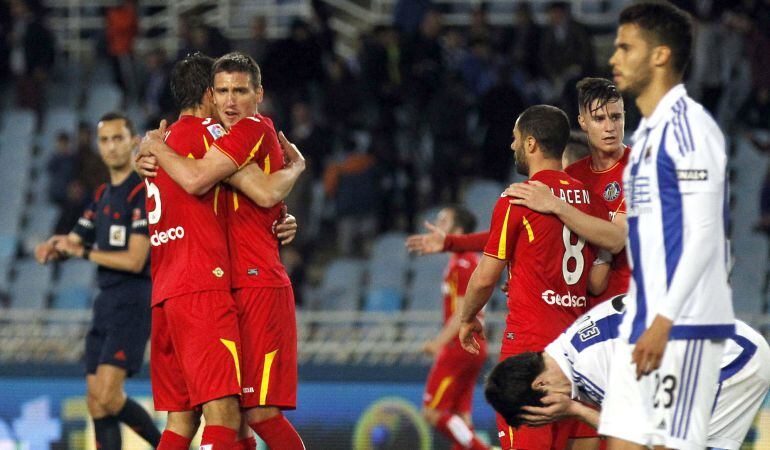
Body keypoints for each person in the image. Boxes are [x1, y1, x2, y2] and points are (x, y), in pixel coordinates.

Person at [139, 51, 307, 449]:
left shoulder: (235, 132)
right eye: (223, 91)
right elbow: (254, 190)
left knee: (222, 416)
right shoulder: (206, 137)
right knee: (230, 415)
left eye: (240, 91)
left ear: (259, 94)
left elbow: (260, 193)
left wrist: (150, 146)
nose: (230, 102)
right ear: (209, 95)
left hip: (222, 286)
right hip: (211, 286)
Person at [600, 3, 735, 449]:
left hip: (683, 326)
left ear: (659, 55)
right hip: (641, 322)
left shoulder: (690, 129)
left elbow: (704, 236)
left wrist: (665, 320)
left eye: (625, 47)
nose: (613, 58)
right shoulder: (643, 138)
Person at [457, 105, 609, 450]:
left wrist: (467, 317)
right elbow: (596, 280)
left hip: (530, 349)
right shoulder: (593, 203)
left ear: (530, 144)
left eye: (514, 139)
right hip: (579, 352)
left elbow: (485, 278)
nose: (511, 146)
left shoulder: (519, 198)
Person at [406, 79, 629, 297]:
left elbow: (614, 241)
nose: (609, 127)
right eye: (599, 118)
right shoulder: (572, 177)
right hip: (579, 306)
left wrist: (556, 205)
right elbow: (512, 232)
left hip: (622, 299)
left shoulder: (637, 169)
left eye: (615, 117)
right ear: (583, 122)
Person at [485, 295, 770, 450]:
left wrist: (575, 410)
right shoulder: (574, 348)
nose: (552, 418)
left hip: (731, 360)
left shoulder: (592, 366)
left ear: (541, 385)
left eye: (543, 413)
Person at [34, 113, 160, 450]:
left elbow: (135, 260)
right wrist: (54, 248)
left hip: (132, 300)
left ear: (134, 142)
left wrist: (83, 252)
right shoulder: (103, 194)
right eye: (104, 140)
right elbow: (75, 240)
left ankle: (167, 446)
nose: (111, 147)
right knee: (95, 400)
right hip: (105, 302)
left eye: (118, 138)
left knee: (107, 394)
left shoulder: (141, 193)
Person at [419, 206, 488, 450]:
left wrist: (438, 343)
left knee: (432, 412)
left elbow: (463, 313)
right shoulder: (467, 261)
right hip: (473, 346)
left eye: (443, 220)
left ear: (458, 231)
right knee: (461, 415)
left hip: (460, 346)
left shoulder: (462, 263)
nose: (436, 223)